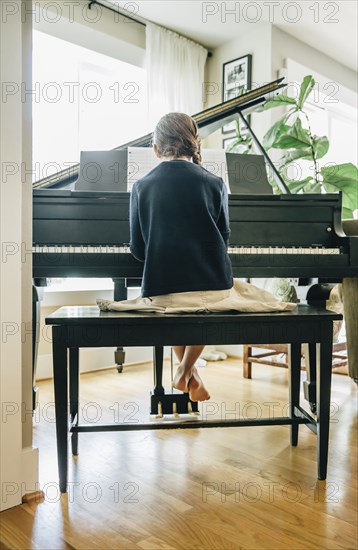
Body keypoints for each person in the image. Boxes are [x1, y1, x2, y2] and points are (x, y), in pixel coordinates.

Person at [97, 112, 296, 402]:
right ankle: (187, 372)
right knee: (216, 301)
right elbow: (223, 239)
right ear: (195, 145)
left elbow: (139, 251)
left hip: (164, 293)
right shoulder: (215, 183)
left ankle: (185, 371)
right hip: (213, 290)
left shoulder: (141, 187)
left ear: (155, 149)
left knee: (177, 304)